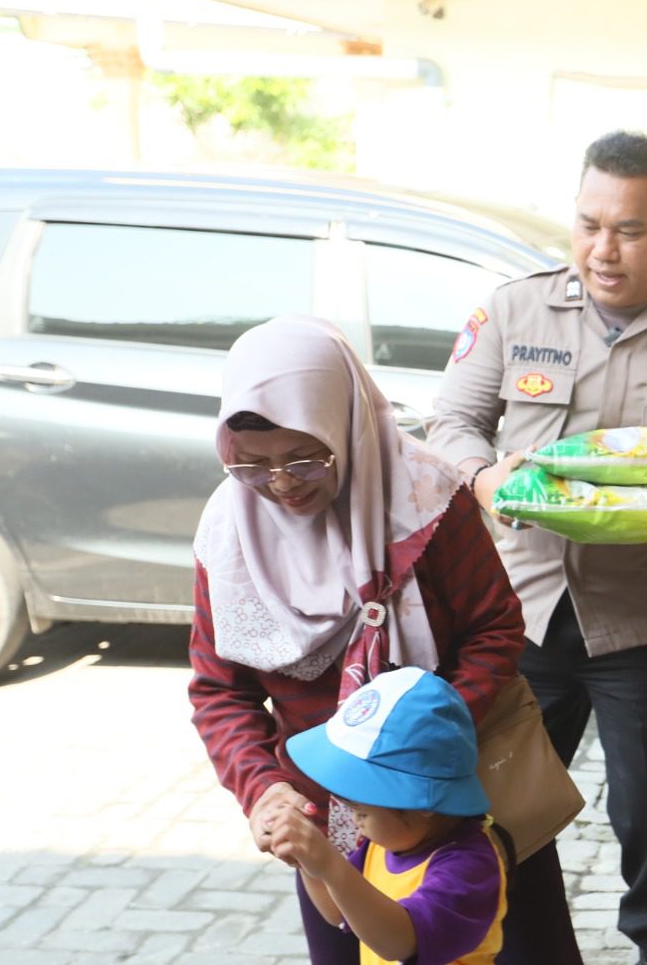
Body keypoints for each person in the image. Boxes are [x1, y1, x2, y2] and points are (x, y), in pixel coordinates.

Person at [428, 130, 647, 965]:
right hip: (517, 617)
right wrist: (486, 481)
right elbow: (448, 424)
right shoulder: (512, 312)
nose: (604, 248)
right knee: (495, 818)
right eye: (589, 224)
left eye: (629, 229)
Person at [188, 315, 578, 964]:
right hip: (329, 814)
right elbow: (218, 689)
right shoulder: (228, 533)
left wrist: (422, 746)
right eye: (253, 467)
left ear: (346, 426)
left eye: (304, 459)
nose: (281, 484)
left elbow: (494, 628)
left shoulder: (424, 497)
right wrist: (262, 787)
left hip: (453, 800)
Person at [274, 666, 508, 965]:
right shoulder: (387, 842)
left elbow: (401, 943)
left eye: (361, 810)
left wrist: (331, 866)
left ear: (422, 803)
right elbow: (338, 912)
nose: (355, 820)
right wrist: (308, 862)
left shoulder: (469, 868)